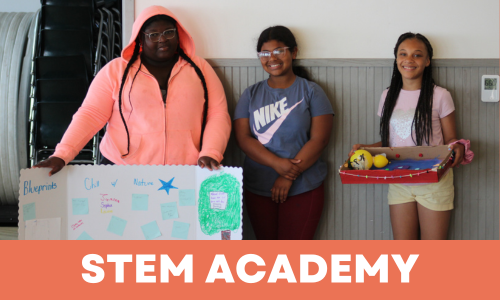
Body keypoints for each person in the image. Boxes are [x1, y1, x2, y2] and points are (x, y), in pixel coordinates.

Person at [34, 6, 231, 174]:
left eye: (169, 32)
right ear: (139, 38)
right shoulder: (115, 70)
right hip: (123, 170)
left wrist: (210, 152)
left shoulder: (200, 68)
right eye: (153, 34)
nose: (162, 39)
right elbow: (90, 115)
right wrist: (62, 154)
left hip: (184, 171)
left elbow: (218, 114)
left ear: (178, 34)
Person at [349, 32, 466, 240]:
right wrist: (366, 148)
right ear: (396, 59)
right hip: (399, 182)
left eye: (417, 55)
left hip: (434, 184)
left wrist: (458, 148)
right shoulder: (387, 95)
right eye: (403, 54)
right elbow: (392, 143)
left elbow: (451, 141)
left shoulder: (440, 95)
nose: (409, 60)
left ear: (428, 61)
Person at [234, 26, 334, 240]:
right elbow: (243, 138)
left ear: (293, 53)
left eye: (279, 50)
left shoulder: (312, 91)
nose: (272, 58)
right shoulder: (250, 94)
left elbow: (320, 139)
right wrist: (275, 163)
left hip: (304, 186)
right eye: (265, 53)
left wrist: (288, 175)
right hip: (258, 186)